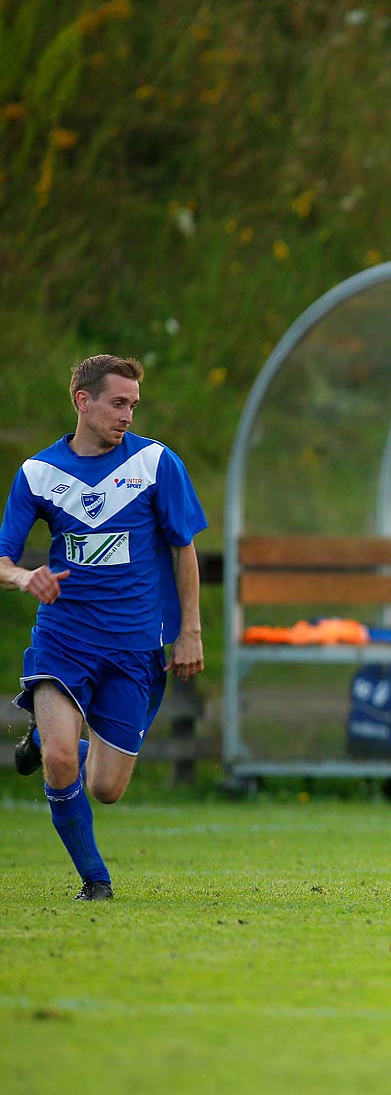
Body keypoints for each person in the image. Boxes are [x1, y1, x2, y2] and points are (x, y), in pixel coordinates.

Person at [0, 355, 207, 901]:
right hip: (63, 639)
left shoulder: (158, 464)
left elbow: (185, 550)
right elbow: (3, 561)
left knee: (106, 787)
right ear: (82, 402)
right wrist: (26, 579)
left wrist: (191, 632)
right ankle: (96, 881)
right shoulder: (38, 474)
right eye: (119, 403)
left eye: (134, 405)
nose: (129, 416)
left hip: (135, 645)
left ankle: (46, 739)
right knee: (66, 761)